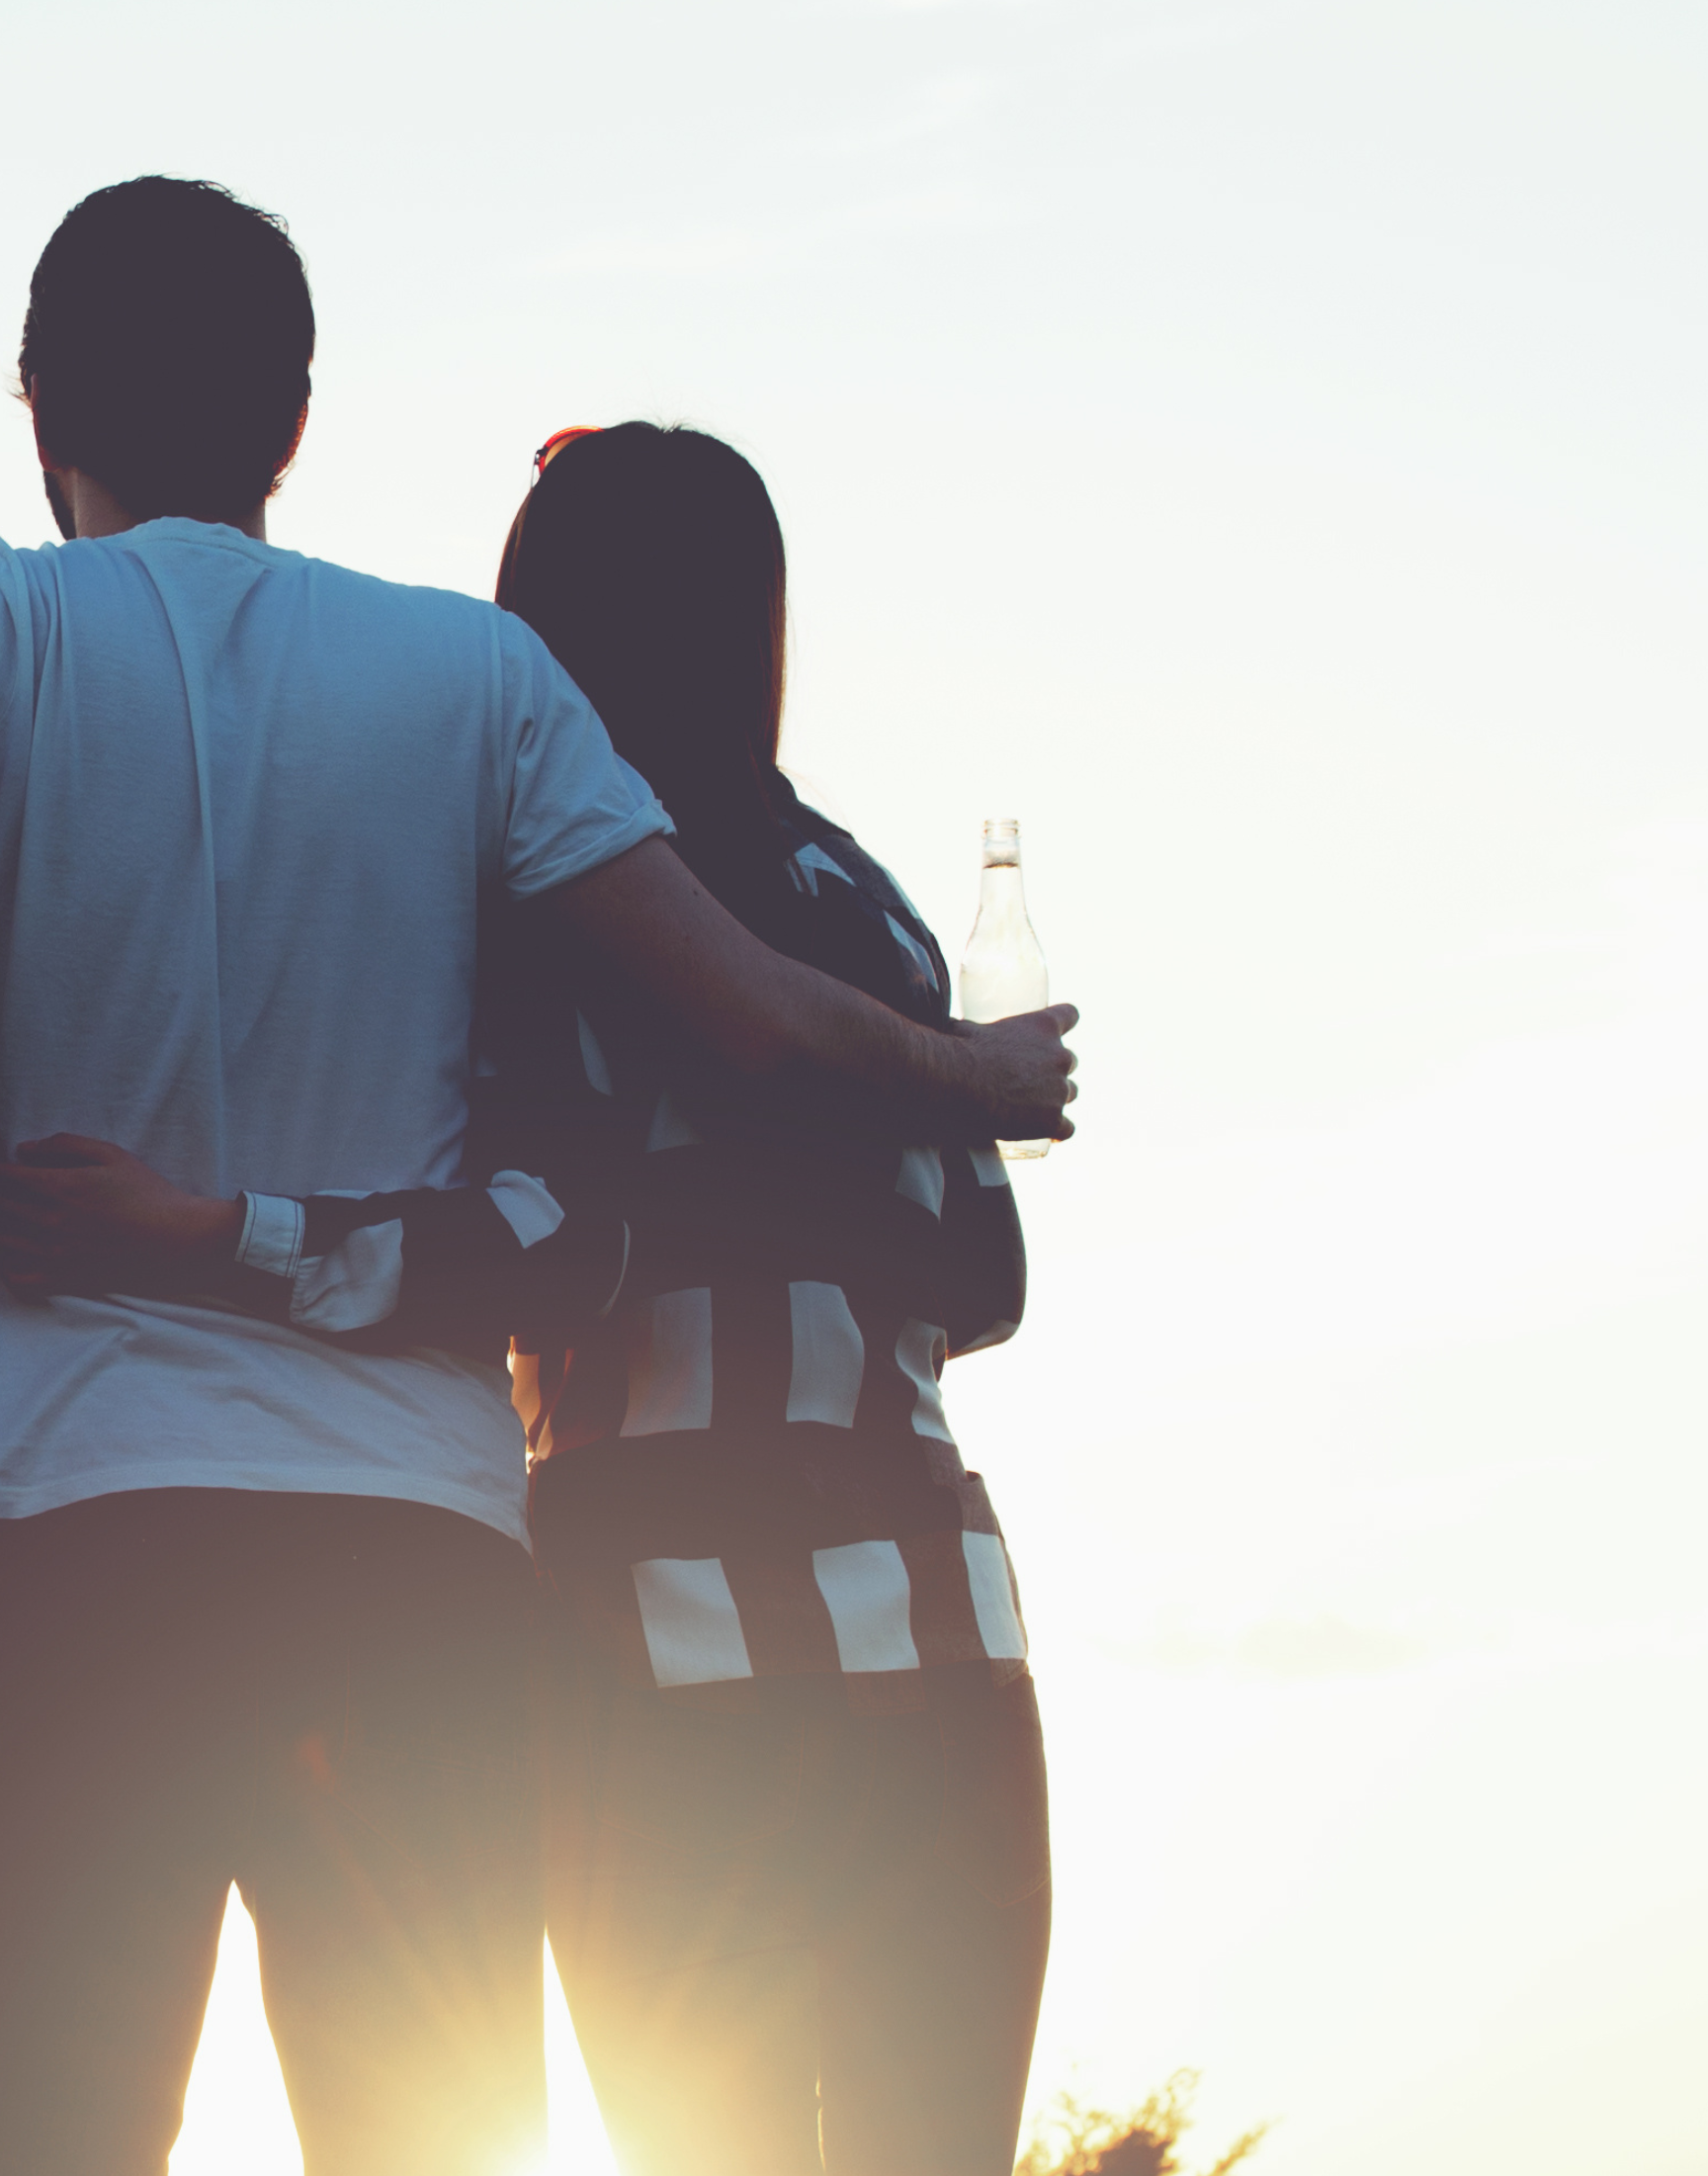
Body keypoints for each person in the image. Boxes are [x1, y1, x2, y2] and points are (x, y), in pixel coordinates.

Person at [0, 181, 1076, 2176]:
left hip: (75, 1537)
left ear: (39, 411)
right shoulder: (481, 687)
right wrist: (962, 1067)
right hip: (422, 1566)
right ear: (292, 418)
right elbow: (763, 1026)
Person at [486, 422, 1049, 2176]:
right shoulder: (868, 906)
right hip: (939, 1631)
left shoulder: (512, 903)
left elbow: (540, 1243)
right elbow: (988, 1275)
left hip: (641, 1639)